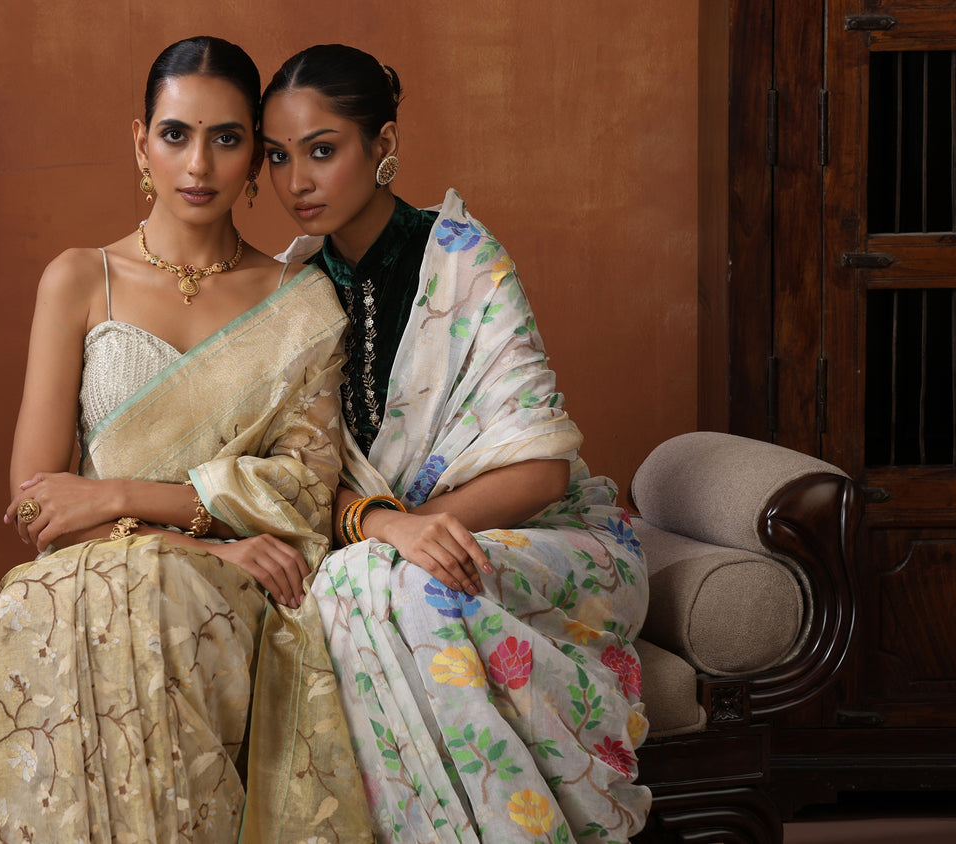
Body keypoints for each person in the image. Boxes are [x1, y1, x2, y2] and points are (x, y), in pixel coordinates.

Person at [0, 37, 372, 843]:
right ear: (141, 143)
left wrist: (116, 496)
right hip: (97, 572)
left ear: (256, 155)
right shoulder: (80, 279)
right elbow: (37, 507)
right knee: (86, 595)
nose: (198, 165)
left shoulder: (302, 302)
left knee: (155, 598)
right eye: (176, 135)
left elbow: (305, 491)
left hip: (234, 588)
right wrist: (190, 541)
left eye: (226, 138)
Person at [261, 44, 652, 843]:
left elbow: (540, 470)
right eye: (277, 156)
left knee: (407, 586)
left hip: (535, 537)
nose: (295, 181)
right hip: (374, 546)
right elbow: (288, 478)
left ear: (384, 143)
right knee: (369, 583)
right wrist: (388, 528)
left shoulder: (463, 261)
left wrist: (413, 534)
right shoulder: (285, 295)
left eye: (321, 151)